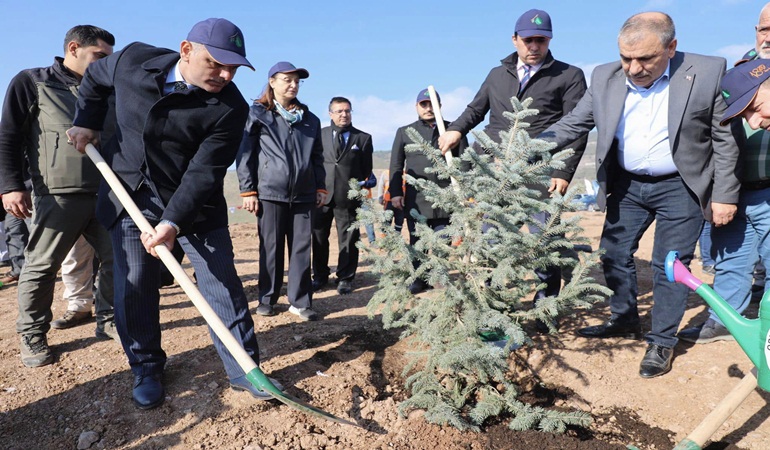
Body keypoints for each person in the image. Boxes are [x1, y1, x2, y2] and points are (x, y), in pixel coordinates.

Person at [68, 18, 281, 409]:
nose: (225, 74)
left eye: (233, 67)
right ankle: (146, 367)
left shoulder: (230, 107)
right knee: (136, 287)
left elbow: (205, 172)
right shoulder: (131, 60)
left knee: (221, 284)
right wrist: (87, 122)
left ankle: (244, 368)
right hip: (129, 192)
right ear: (186, 50)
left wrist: (171, 222)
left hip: (195, 206)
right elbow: (94, 80)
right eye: (215, 63)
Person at [539, 12, 740, 378]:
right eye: (626, 58)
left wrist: (724, 193)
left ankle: (662, 341)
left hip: (681, 184)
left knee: (670, 265)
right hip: (628, 184)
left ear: (671, 47)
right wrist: (522, 147)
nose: (633, 68)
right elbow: (574, 124)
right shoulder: (604, 77)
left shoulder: (707, 72)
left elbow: (725, 140)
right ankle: (624, 317)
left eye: (645, 59)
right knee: (613, 253)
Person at [437, 8, 588, 309]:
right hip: (494, 171)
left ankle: (546, 302)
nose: (534, 47)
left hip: (541, 172)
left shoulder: (569, 76)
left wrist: (563, 171)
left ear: (549, 41)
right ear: (515, 39)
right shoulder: (497, 75)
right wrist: (455, 130)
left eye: (541, 41)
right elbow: (475, 110)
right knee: (489, 235)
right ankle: (490, 300)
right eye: (528, 40)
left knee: (542, 239)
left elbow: (578, 127)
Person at [0, 25, 119, 368]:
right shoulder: (33, 82)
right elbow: (8, 136)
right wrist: (11, 186)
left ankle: (108, 319)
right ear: (73, 48)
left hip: (106, 193)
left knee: (116, 260)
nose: (103, 65)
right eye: (99, 56)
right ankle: (32, 333)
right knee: (41, 266)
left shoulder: (106, 91)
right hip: (57, 196)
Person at [678, 3, 770, 344]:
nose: (768, 36)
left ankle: (767, 330)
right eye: (763, 29)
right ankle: (725, 321)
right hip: (736, 188)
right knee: (731, 258)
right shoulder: (745, 68)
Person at [237, 61, 326, 321]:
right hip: (269, 191)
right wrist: (248, 190)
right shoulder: (257, 114)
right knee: (271, 246)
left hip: (304, 193)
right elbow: (245, 155)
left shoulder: (310, 120)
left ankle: (300, 301)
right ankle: (267, 298)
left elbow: (317, 157)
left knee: (301, 247)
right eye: (287, 80)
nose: (293, 85)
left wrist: (320, 186)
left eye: (297, 81)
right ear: (272, 82)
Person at [389, 88, 469, 294]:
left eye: (432, 104)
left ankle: (440, 276)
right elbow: (396, 166)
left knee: (443, 240)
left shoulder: (453, 131)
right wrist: (396, 193)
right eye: (423, 105)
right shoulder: (405, 132)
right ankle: (419, 278)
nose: (428, 108)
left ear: (439, 106)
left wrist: (466, 192)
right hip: (417, 200)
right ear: (416, 107)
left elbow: (465, 164)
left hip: (446, 198)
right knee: (417, 241)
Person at [311, 97, 374, 295]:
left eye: (347, 111)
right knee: (319, 237)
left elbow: (366, 169)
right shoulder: (318, 135)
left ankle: (345, 277)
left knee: (348, 238)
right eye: (339, 111)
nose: (343, 114)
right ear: (330, 114)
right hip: (321, 196)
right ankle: (320, 276)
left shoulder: (363, 138)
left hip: (348, 198)